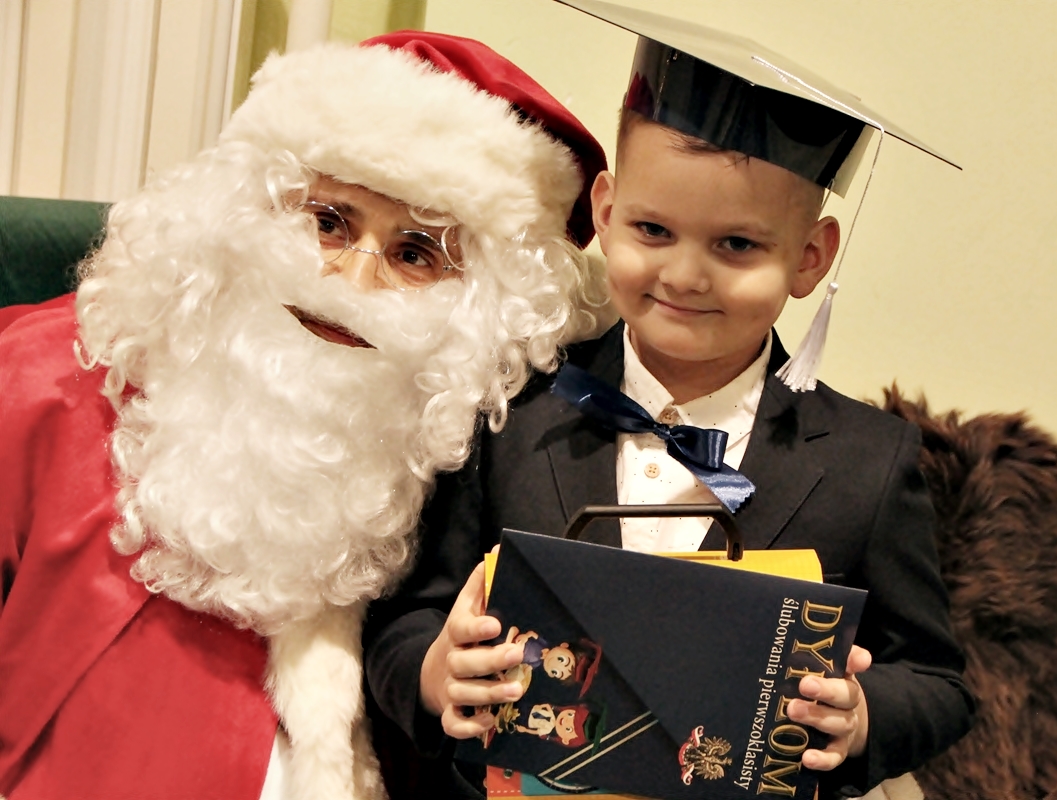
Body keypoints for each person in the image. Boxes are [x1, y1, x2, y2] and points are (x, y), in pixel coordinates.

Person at [363, 8, 974, 800]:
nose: (684, 276)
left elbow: (938, 683)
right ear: (606, 213)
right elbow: (405, 620)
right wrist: (434, 671)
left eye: (737, 245)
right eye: (653, 230)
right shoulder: (508, 407)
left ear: (810, 257)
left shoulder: (870, 462)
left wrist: (860, 717)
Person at [0, 30, 607, 800]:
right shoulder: (37, 383)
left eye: (415, 254)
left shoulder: (455, 462)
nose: (350, 279)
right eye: (328, 221)